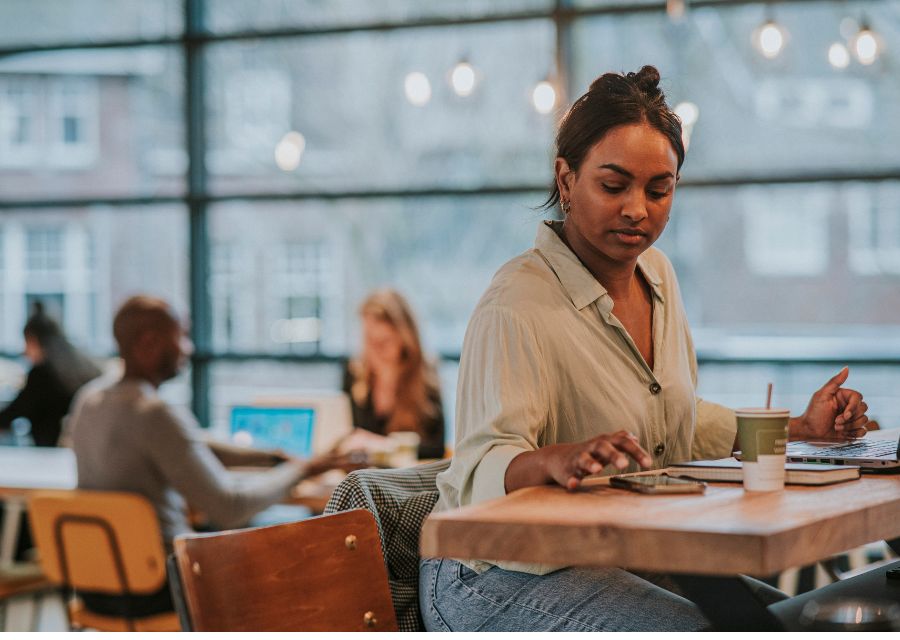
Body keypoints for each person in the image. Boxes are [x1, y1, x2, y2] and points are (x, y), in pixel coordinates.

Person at [419, 66, 870, 632]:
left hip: (617, 554)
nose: (638, 208)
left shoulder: (657, 275)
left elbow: (676, 419)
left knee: (794, 622)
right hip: (492, 574)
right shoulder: (516, 304)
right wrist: (556, 459)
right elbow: (478, 471)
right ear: (565, 180)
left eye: (659, 190)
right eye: (614, 186)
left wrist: (799, 428)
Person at [69, 295, 350, 616]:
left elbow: (192, 445)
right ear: (148, 343)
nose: (187, 348)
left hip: (97, 587)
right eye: (181, 336)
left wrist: (273, 458)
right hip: (163, 587)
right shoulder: (153, 413)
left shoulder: (88, 400)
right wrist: (303, 469)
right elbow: (230, 506)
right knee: (296, 551)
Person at [342, 289, 445, 459]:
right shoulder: (353, 373)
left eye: (384, 341)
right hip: (363, 476)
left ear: (405, 338)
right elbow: (345, 437)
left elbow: (436, 449)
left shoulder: (427, 377)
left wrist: (380, 444)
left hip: (404, 480)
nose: (375, 351)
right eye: (369, 340)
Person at [0, 302, 101, 447]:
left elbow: (16, 410)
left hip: (50, 453)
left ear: (34, 340)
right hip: (82, 449)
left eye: (27, 342)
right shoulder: (80, 365)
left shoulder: (43, 374)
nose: (25, 350)